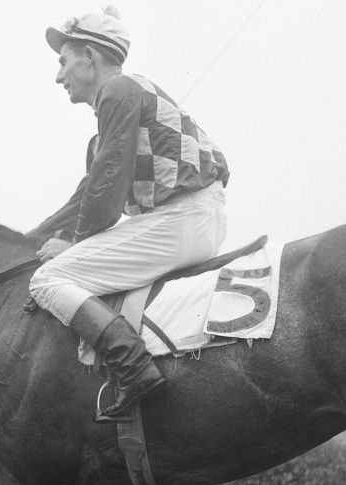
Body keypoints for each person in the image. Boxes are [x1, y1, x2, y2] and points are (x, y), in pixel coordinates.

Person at [27, 7, 229, 420]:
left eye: (63, 61)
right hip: (186, 218)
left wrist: (71, 244)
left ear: (89, 55)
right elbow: (87, 193)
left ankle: (134, 369)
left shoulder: (119, 90)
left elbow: (107, 186)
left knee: (49, 278)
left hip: (183, 219)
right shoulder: (116, 107)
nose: (58, 76)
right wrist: (31, 237)